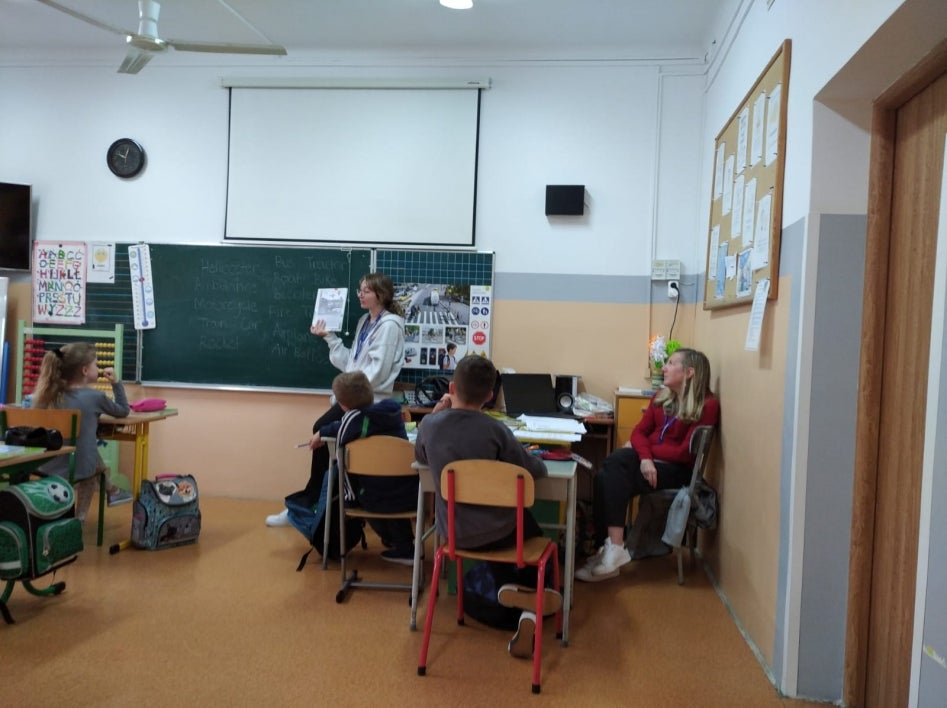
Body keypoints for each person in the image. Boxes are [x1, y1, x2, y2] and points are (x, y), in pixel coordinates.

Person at [415, 355, 562, 659]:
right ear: (491, 397)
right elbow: (531, 470)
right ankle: (532, 605)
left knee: (516, 526)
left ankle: (521, 605)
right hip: (502, 534)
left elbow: (420, 453)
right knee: (530, 528)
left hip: (453, 536)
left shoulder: (431, 425)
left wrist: (436, 411)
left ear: (452, 387)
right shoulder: (495, 430)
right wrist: (539, 460)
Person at [267, 272, 406, 526]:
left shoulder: (389, 326)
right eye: (359, 290)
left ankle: (311, 507)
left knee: (322, 433)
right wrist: (329, 338)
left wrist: (348, 395)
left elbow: (376, 373)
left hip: (367, 405)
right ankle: (313, 507)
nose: (360, 295)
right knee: (324, 437)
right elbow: (351, 363)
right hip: (355, 399)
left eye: (366, 290)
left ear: (381, 295)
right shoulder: (366, 321)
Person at [576, 347, 720, 582]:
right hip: (652, 465)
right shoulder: (661, 397)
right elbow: (639, 432)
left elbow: (684, 453)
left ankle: (613, 550)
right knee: (606, 476)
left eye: (671, 363)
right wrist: (645, 458)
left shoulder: (707, 405)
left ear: (690, 372)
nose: (664, 367)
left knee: (616, 464)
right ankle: (610, 549)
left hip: (678, 471)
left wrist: (644, 453)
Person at [312, 371, 418, 564]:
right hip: (409, 495)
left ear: (342, 405)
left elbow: (343, 430)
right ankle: (404, 546)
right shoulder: (392, 412)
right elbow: (347, 423)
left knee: (365, 491)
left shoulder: (352, 422)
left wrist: (322, 431)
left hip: (371, 498)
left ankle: (396, 542)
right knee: (389, 485)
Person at [31, 342, 133, 522]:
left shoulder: (46, 395)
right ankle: (80, 518)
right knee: (92, 466)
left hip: (44, 465)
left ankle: (113, 490)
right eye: (96, 364)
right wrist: (116, 382)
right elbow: (123, 410)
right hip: (78, 467)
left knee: (86, 451)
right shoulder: (95, 397)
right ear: (85, 371)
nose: (98, 367)